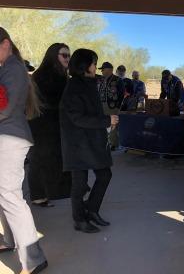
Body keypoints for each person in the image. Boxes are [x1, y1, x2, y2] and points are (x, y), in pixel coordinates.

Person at [0, 27, 48, 274]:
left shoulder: (13, 68)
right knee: (7, 194)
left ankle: (33, 258)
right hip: (7, 136)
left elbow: (5, 108)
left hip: (9, 138)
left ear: (5, 43)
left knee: (10, 196)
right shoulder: (8, 67)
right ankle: (10, 240)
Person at [60, 49, 118, 234]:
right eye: (93, 63)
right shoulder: (74, 86)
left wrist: (106, 123)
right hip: (77, 144)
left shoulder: (89, 83)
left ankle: (92, 210)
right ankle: (79, 219)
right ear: (84, 66)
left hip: (92, 140)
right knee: (79, 183)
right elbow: (77, 118)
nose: (95, 66)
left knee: (104, 175)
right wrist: (107, 121)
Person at [27, 43, 72, 207]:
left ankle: (41, 195)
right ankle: (40, 195)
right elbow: (51, 102)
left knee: (40, 159)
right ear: (54, 56)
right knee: (40, 159)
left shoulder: (53, 74)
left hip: (45, 124)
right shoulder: (47, 75)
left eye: (69, 55)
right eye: (64, 55)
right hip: (43, 125)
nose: (68, 58)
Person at [98, 62, 124, 150]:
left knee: (112, 125)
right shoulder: (101, 79)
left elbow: (121, 94)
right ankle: (104, 142)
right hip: (101, 105)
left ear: (109, 70)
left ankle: (113, 144)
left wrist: (118, 107)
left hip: (112, 106)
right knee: (102, 124)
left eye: (103, 69)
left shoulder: (118, 80)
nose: (101, 71)